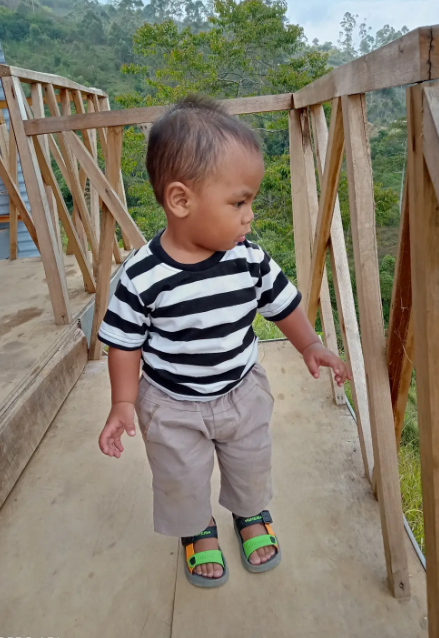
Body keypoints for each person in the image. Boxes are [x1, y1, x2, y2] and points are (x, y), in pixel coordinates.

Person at [97, 95, 351, 588]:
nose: (249, 216)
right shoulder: (142, 276)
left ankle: (249, 511)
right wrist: (123, 402)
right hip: (171, 403)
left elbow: (281, 303)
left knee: (250, 462)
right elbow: (124, 343)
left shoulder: (248, 258)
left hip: (240, 391)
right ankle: (197, 527)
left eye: (249, 202)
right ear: (181, 201)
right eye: (238, 202)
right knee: (181, 478)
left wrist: (309, 344)